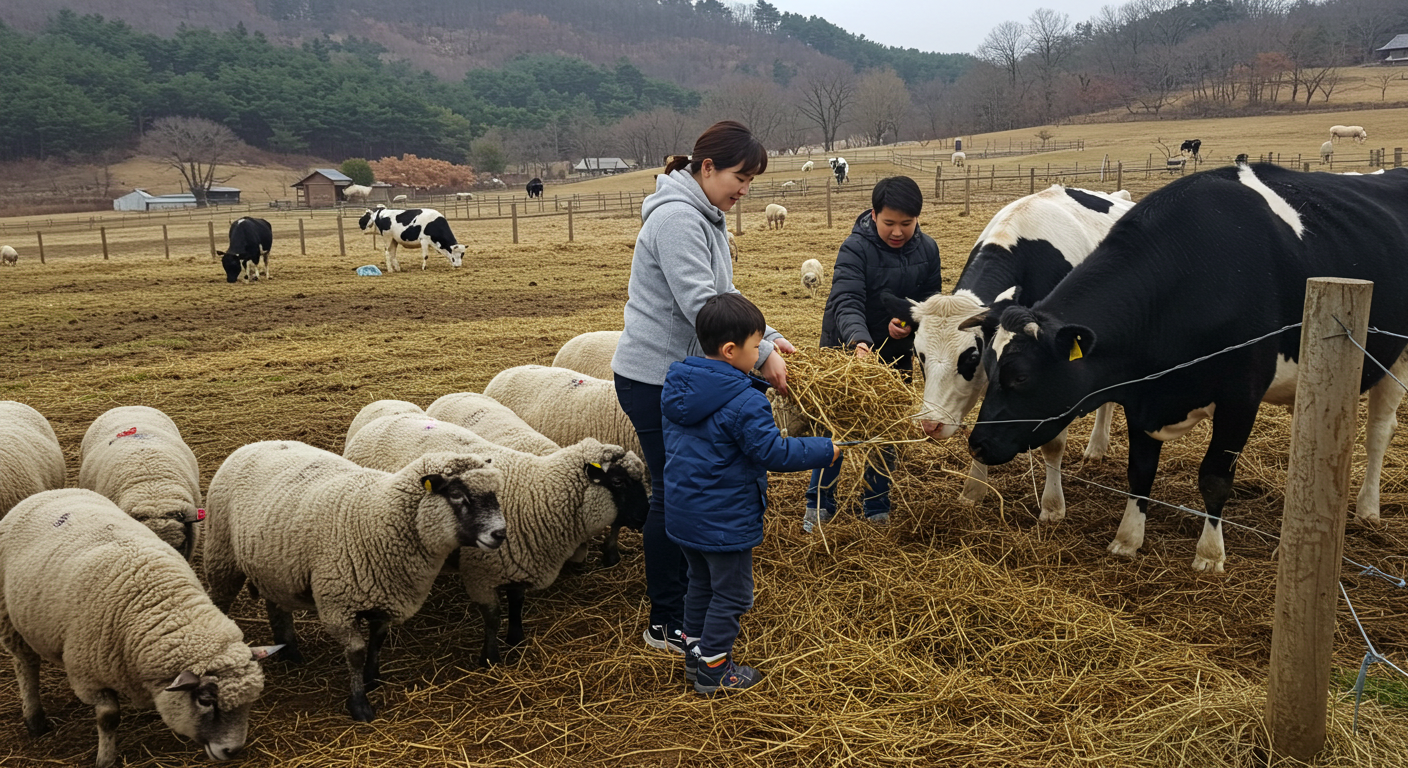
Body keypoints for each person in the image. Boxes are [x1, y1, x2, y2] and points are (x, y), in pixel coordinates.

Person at [612, 120, 796, 657]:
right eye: (741, 177)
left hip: (689, 375)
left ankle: (692, 607)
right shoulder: (676, 219)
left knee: (687, 492)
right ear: (707, 167)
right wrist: (760, 358)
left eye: (753, 182)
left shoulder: (707, 217)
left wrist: (771, 338)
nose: (745, 190)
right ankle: (666, 620)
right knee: (676, 496)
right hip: (657, 378)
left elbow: (725, 294)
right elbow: (701, 306)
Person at [661, 293, 840, 693]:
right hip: (724, 519)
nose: (761, 350)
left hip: (683, 512)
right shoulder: (744, 401)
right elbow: (772, 452)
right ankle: (713, 669)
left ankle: (695, 654)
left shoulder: (678, 388)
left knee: (699, 584)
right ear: (730, 350)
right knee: (733, 595)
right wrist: (824, 449)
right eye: (757, 344)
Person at [805, 176, 943, 529]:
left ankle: (876, 503)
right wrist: (859, 343)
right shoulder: (855, 248)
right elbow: (845, 299)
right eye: (889, 223)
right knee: (835, 427)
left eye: (906, 224)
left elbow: (928, 302)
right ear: (874, 214)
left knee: (885, 429)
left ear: (917, 219)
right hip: (846, 353)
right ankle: (819, 503)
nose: (898, 232)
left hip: (895, 354)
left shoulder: (928, 250)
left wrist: (909, 325)